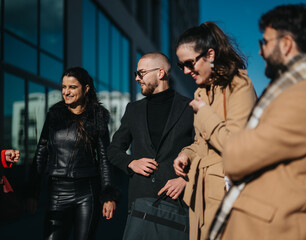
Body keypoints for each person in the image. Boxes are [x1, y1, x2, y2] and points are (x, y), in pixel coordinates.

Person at [208, 4, 306, 240]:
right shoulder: (297, 92)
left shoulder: (301, 98)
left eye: (264, 42)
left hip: (267, 230)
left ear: (286, 44)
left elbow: (236, 158)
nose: (260, 51)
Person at [173, 21, 257, 240]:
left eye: (190, 63)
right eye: (181, 65)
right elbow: (202, 144)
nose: (185, 71)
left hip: (227, 199)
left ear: (210, 54)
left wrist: (205, 114)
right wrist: (186, 154)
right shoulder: (201, 93)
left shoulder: (239, 85)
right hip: (199, 197)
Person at [28, 67, 119, 240]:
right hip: (57, 191)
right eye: (64, 87)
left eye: (72, 87)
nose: (66, 92)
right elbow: (41, 152)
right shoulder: (54, 115)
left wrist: (108, 195)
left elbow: (104, 159)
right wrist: (33, 190)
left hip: (88, 192)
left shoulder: (96, 116)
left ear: (86, 89)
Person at [107, 52, 194, 219]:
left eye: (141, 73)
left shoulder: (189, 108)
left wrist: (187, 180)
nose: (137, 78)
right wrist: (131, 162)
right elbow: (113, 150)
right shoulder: (133, 109)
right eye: (136, 74)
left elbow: (203, 151)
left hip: (178, 203)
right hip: (141, 201)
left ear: (160, 73)